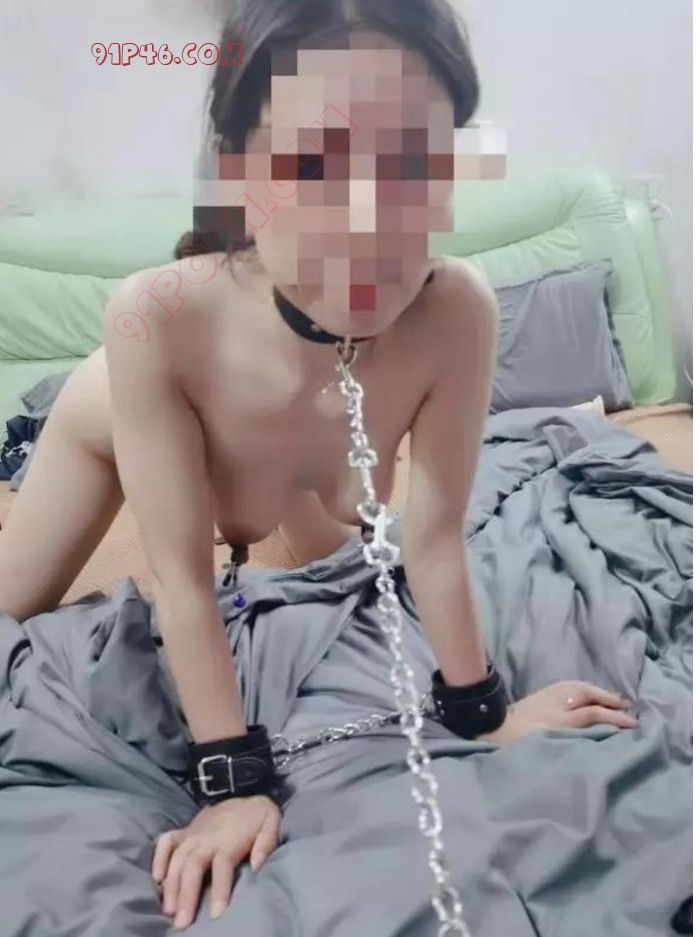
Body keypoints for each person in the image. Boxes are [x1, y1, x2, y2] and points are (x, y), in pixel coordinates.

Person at [0, 0, 638, 929]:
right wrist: (231, 784)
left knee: (334, 579)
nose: (370, 221)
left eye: (413, 161)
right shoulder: (156, 316)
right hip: (117, 431)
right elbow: (181, 581)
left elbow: (435, 539)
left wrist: (489, 715)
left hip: (296, 466)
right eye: (312, 167)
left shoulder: (458, 310)